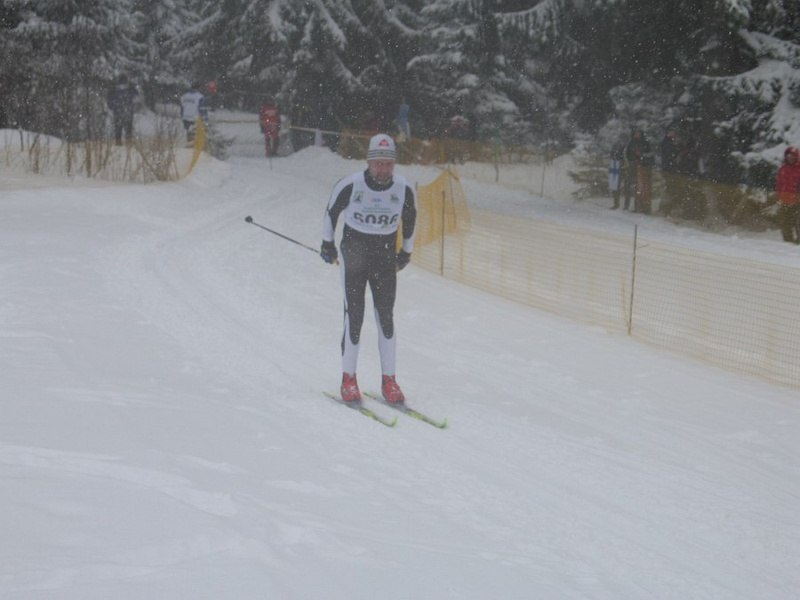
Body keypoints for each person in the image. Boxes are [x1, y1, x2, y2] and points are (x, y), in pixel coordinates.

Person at [320, 133, 418, 404]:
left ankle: (390, 380)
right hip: (354, 256)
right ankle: (348, 379)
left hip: (384, 258)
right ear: (369, 162)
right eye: (378, 164)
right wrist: (327, 244)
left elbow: (411, 219)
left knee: (385, 317)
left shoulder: (403, 188)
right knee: (354, 315)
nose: (383, 169)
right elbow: (331, 212)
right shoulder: (351, 184)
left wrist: (406, 251)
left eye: (388, 164)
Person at [625, 128, 654, 214]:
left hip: (643, 168)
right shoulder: (631, 143)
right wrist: (632, 161)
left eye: (638, 133)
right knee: (636, 188)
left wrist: (642, 156)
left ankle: (645, 208)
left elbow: (650, 154)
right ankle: (636, 206)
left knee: (644, 189)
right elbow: (628, 154)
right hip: (634, 168)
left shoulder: (645, 143)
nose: (637, 135)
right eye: (635, 133)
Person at [774, 145, 800, 243]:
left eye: (793, 156)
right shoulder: (783, 169)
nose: (790, 158)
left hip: (798, 200)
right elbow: (779, 184)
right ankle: (788, 242)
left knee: (798, 222)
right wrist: (778, 196)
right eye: (788, 156)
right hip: (785, 200)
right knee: (785, 222)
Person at [106, 75, 138, 145]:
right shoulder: (130, 90)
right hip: (128, 112)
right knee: (128, 130)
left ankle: (118, 143)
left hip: (118, 113)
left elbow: (109, 101)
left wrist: (113, 107)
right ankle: (128, 143)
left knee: (118, 130)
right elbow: (136, 96)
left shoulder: (114, 90)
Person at [659, 128, 681, 217]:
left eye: (674, 132)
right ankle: (666, 210)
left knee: (671, 189)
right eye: (671, 132)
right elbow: (669, 154)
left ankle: (667, 209)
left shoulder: (671, 142)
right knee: (669, 189)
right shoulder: (666, 142)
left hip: (672, 168)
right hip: (668, 168)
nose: (673, 133)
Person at [609, 137, 626, 209]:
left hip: (621, 167)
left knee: (617, 186)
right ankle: (617, 203)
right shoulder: (618, 146)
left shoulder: (624, 147)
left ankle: (619, 204)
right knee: (616, 186)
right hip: (618, 167)